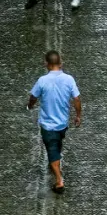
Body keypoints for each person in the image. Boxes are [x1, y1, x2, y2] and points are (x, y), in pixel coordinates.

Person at [28, 50, 82, 194]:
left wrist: (30, 105)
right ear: (60, 62)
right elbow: (76, 99)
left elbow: (33, 97)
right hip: (62, 123)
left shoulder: (42, 81)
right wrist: (78, 115)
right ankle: (55, 163)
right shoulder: (69, 79)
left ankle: (59, 181)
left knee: (52, 149)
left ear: (46, 64)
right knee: (56, 144)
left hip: (48, 124)